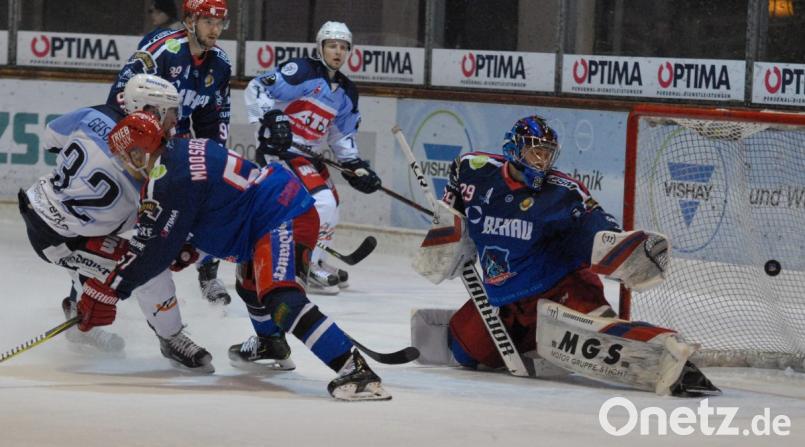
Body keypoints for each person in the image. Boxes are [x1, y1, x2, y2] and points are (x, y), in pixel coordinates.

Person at [74, 112, 391, 401]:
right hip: (269, 213)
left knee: (282, 298)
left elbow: (150, 251)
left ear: (138, 152)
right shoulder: (182, 150)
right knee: (250, 285)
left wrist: (108, 290)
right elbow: (209, 205)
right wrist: (191, 246)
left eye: (124, 157)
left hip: (278, 216)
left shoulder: (165, 181)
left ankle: (355, 370)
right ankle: (270, 344)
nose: (125, 165)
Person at [410, 115, 719, 396]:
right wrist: (447, 230)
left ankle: (669, 355)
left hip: (561, 289)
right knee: (465, 351)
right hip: (505, 301)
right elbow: (454, 203)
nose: (542, 161)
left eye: (547, 153)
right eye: (535, 151)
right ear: (514, 149)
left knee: (596, 340)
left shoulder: (564, 192)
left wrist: (624, 250)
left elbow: (598, 229)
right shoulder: (474, 169)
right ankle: (540, 344)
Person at [18, 74, 212, 372]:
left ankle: (79, 319)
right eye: (171, 111)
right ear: (150, 110)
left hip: (39, 207)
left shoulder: (92, 114)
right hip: (65, 238)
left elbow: (50, 138)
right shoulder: (150, 159)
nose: (176, 120)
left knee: (103, 243)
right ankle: (171, 337)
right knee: (148, 267)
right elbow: (158, 222)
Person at [108, 0, 233, 305]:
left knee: (210, 199)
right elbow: (119, 98)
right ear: (189, 20)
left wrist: (214, 160)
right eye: (208, 22)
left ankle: (208, 272)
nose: (215, 30)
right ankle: (90, 286)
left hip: (176, 145)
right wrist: (143, 147)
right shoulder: (161, 51)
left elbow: (214, 118)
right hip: (140, 150)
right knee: (123, 214)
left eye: (220, 23)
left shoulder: (220, 64)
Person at [243, 21, 382, 295]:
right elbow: (257, 87)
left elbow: (342, 135)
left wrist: (354, 164)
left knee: (333, 202)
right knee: (322, 201)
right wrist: (272, 118)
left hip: (308, 155)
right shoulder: (302, 72)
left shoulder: (346, 92)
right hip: (281, 151)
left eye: (343, 47)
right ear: (320, 47)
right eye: (332, 45)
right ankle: (301, 264)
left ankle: (316, 259)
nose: (338, 52)